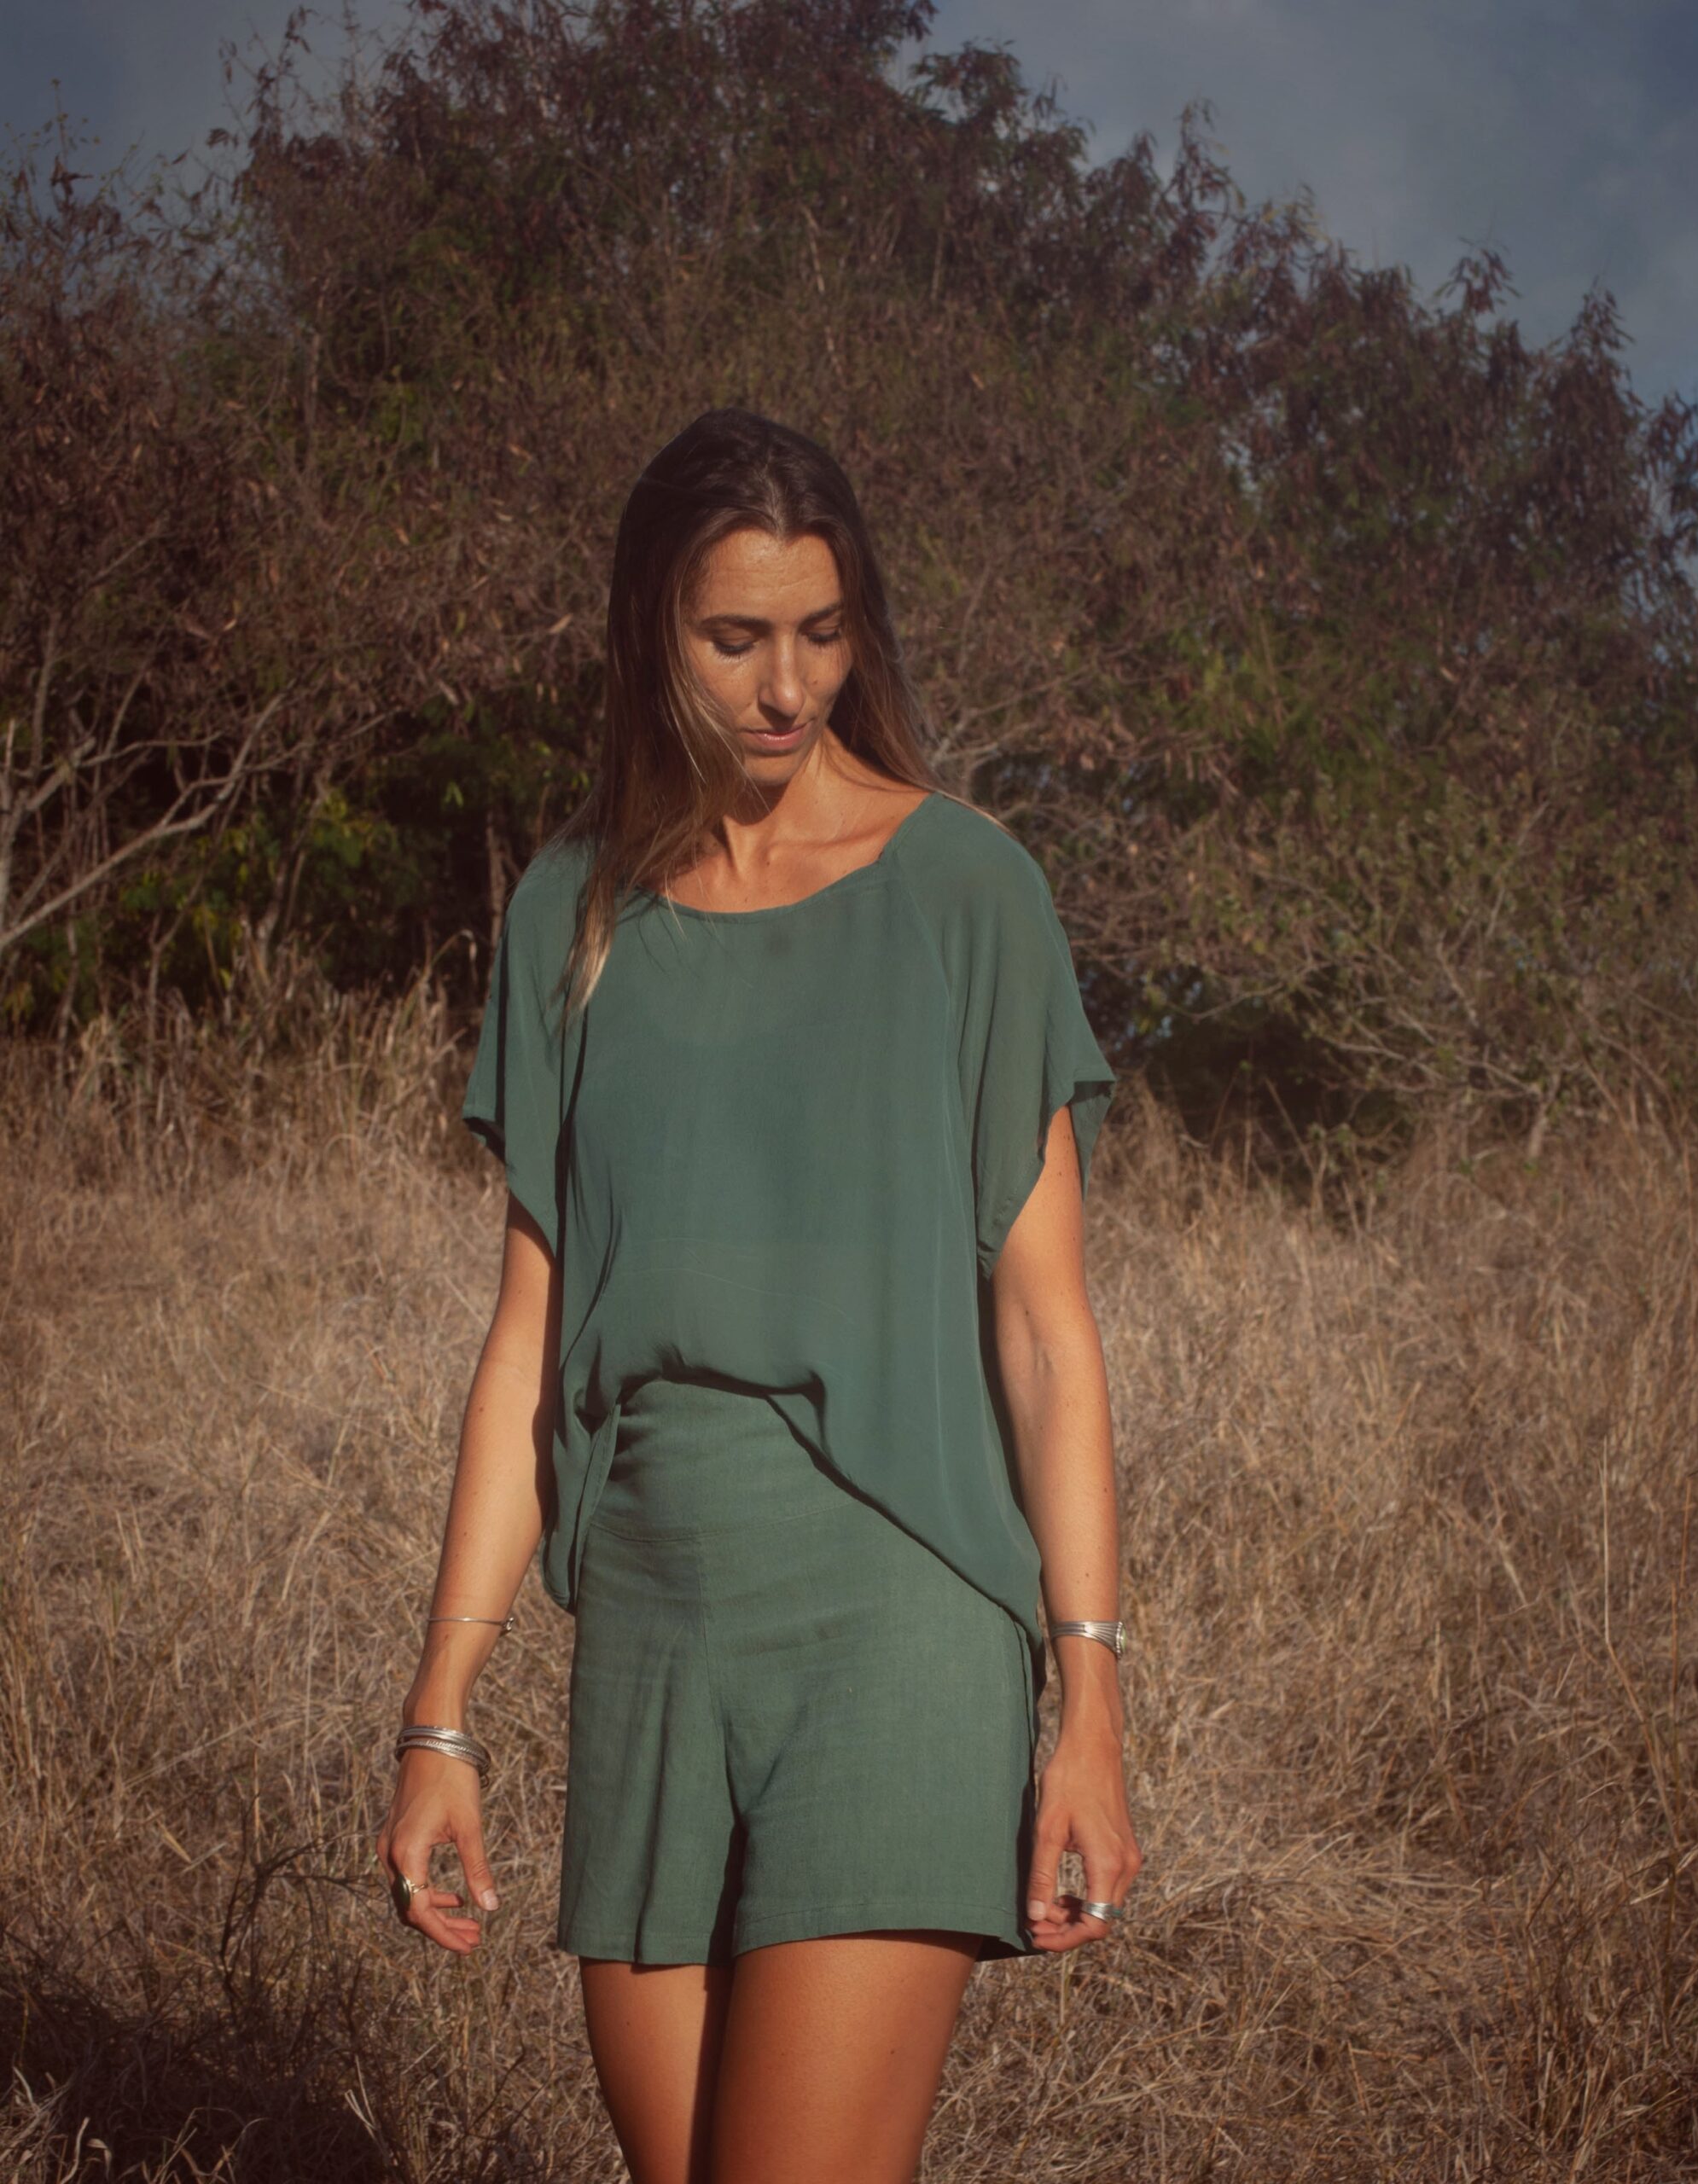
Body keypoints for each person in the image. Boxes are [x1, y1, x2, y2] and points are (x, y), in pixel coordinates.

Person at [375, 408, 1143, 2184]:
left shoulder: (968, 892)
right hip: (651, 1619)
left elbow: (1046, 1332)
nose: (785, 687)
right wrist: (439, 1715)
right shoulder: (571, 915)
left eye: (820, 632)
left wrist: (1089, 1700)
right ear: (649, 626)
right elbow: (525, 1346)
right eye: (734, 638)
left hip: (897, 1608)